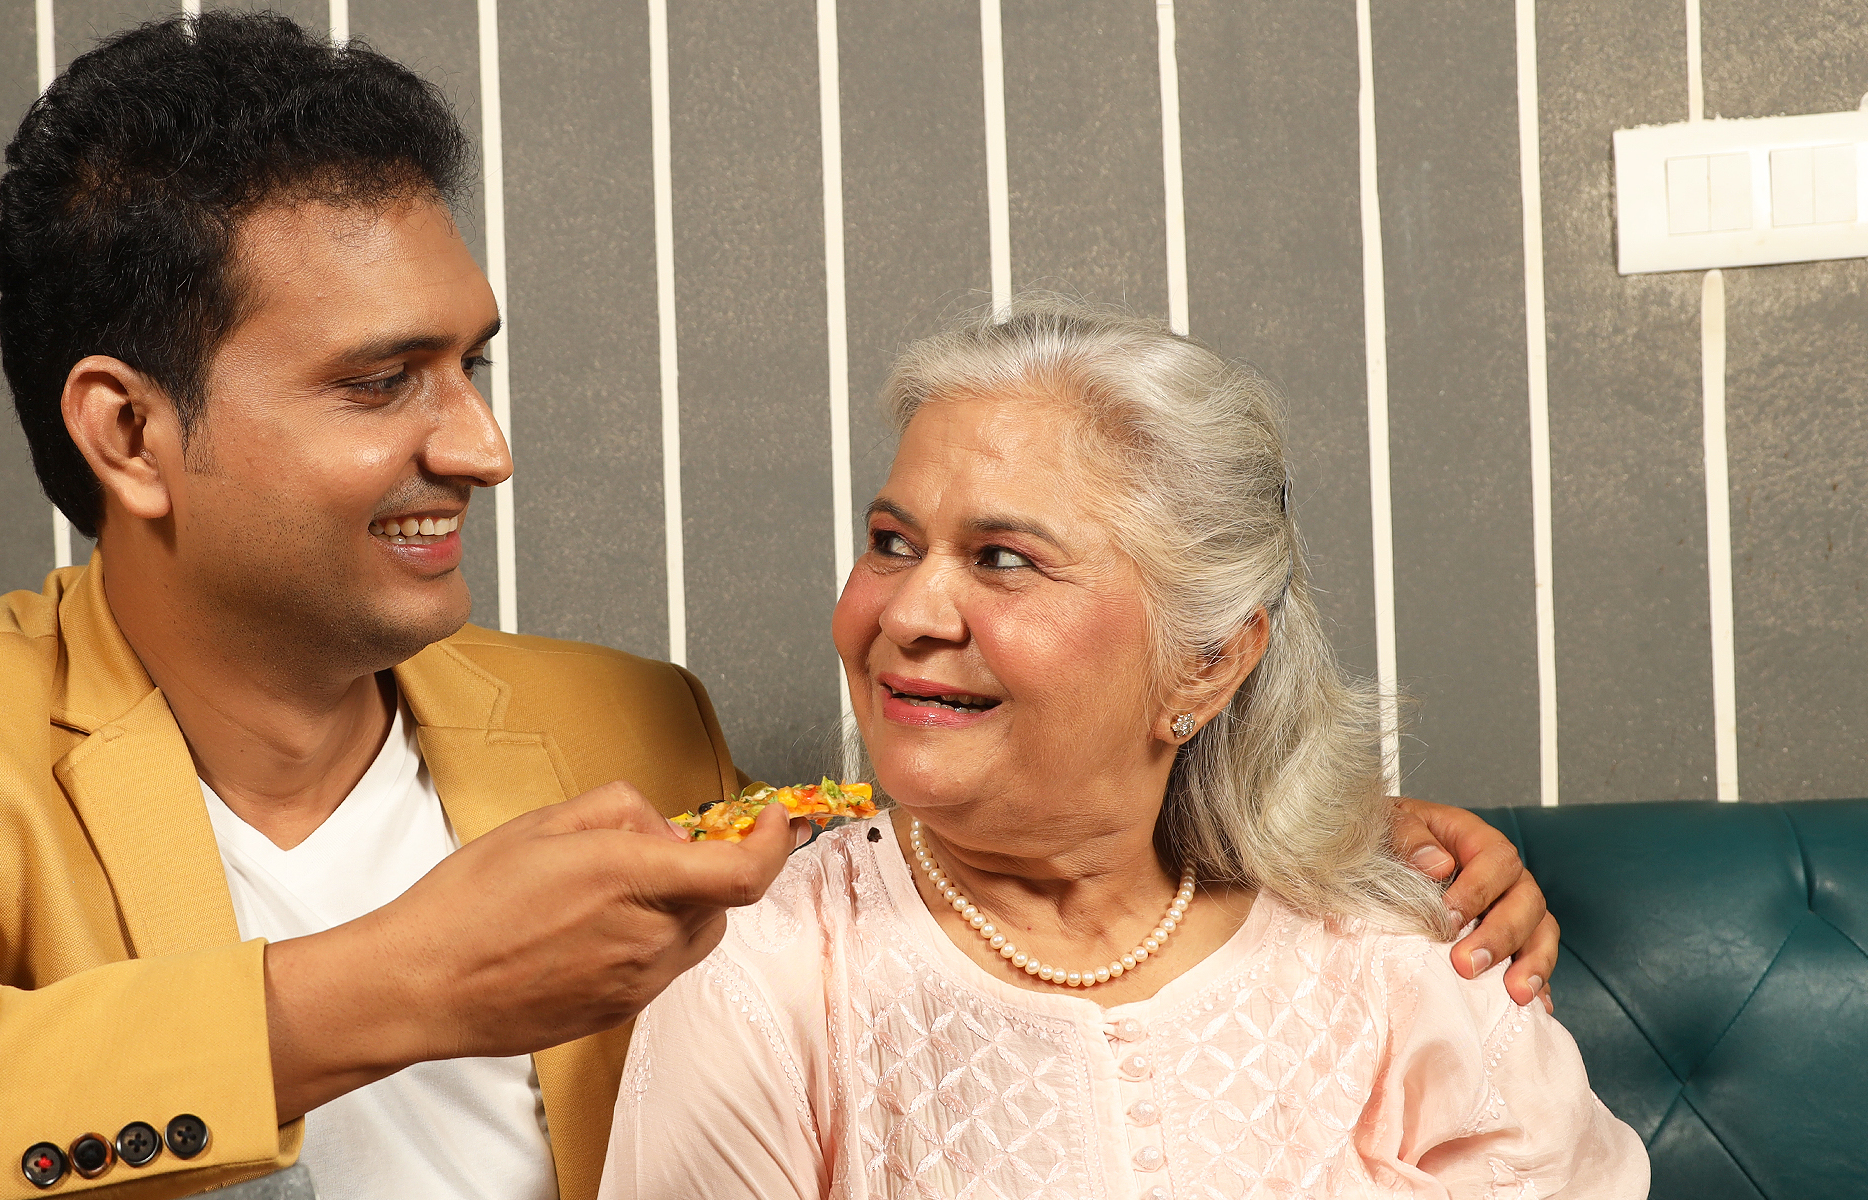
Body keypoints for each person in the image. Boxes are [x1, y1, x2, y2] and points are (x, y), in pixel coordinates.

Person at [0, 15, 1558, 1200]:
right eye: (386, 385)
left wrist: (1311, 837)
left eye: (476, 363)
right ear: (129, 434)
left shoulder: (631, 726)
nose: (484, 445)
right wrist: (382, 993)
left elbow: (972, 854)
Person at [600, 300, 1641, 1199]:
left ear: (1206, 665)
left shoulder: (1406, 958)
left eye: (1003, 559)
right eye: (891, 542)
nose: (908, 612)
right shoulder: (758, 978)